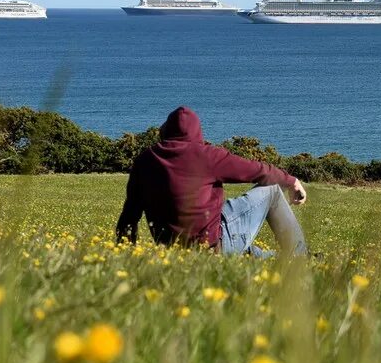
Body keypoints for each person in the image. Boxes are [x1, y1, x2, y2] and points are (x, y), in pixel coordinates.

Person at [115, 106, 308, 256]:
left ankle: (265, 257)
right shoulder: (207, 156)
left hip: (173, 252)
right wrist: (291, 181)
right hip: (212, 247)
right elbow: (258, 171)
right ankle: (300, 257)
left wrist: (125, 256)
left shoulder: (144, 161)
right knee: (273, 190)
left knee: (223, 214)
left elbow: (129, 217)